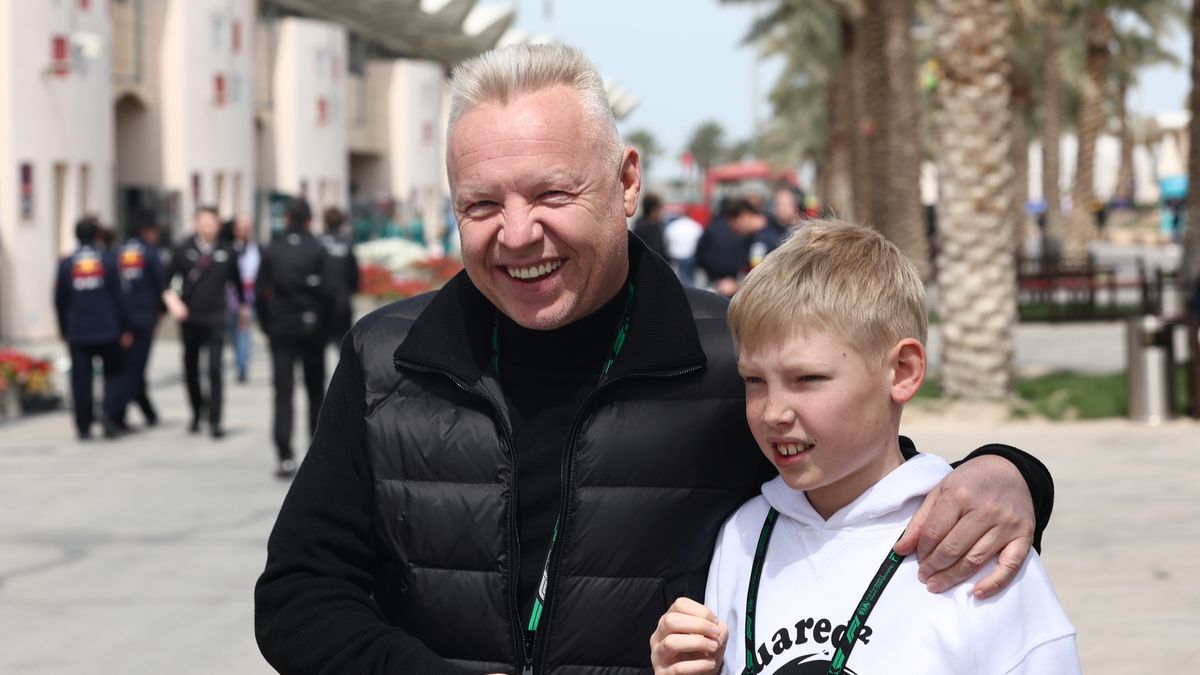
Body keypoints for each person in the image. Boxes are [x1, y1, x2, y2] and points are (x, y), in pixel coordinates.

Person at [255, 44, 1053, 674]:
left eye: (552, 194)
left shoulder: (729, 358)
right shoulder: (387, 357)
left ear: (626, 180)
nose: (519, 232)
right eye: (483, 205)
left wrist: (1010, 471)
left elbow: (860, 475)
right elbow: (297, 593)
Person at [650, 221, 1079, 674]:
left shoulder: (973, 545)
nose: (773, 411)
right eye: (754, 381)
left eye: (807, 379)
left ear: (903, 372)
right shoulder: (743, 535)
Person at [255, 198, 329, 479]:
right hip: (312, 328)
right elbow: (330, 292)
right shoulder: (317, 249)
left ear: (286, 219)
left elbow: (261, 293)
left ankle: (284, 454)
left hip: (281, 327)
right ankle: (318, 451)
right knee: (315, 390)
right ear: (310, 220)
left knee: (283, 392)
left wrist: (267, 324)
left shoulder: (273, 250)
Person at [163, 206, 247, 439]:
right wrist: (174, 303)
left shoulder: (227, 250)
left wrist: (242, 309)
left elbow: (237, 284)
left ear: (218, 225)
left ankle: (216, 420)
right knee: (191, 367)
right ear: (196, 223)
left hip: (216, 317)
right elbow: (166, 282)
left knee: (215, 369)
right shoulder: (182, 249)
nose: (208, 227)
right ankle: (196, 411)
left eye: (212, 222)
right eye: (204, 222)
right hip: (190, 318)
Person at [54, 216, 132, 440]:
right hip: (108, 329)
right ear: (97, 235)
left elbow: (60, 300)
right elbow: (120, 296)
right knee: (115, 373)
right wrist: (125, 327)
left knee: (81, 379)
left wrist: (63, 328)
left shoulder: (67, 263)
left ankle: (83, 425)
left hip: (78, 330)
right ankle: (108, 412)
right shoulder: (108, 260)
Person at [114, 218, 166, 429]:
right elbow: (160, 283)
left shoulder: (118, 252)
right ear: (147, 231)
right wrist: (161, 311)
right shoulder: (151, 253)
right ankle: (117, 411)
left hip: (122, 319)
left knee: (130, 365)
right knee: (136, 368)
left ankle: (148, 412)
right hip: (144, 318)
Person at [318, 206, 360, 347]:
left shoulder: (318, 242)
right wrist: (353, 289)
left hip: (321, 299)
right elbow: (353, 272)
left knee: (319, 344)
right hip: (341, 299)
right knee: (343, 344)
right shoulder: (346, 243)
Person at [228, 215, 261, 383]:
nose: (243, 231)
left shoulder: (257, 249)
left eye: (247, 228)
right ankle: (238, 358)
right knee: (232, 332)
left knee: (243, 332)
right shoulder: (227, 248)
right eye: (240, 228)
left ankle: (242, 366)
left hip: (248, 296)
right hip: (228, 295)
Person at [633, 192, 669, 261]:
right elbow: (659, 250)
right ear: (654, 210)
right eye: (659, 208)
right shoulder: (654, 226)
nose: (661, 212)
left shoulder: (638, 223)